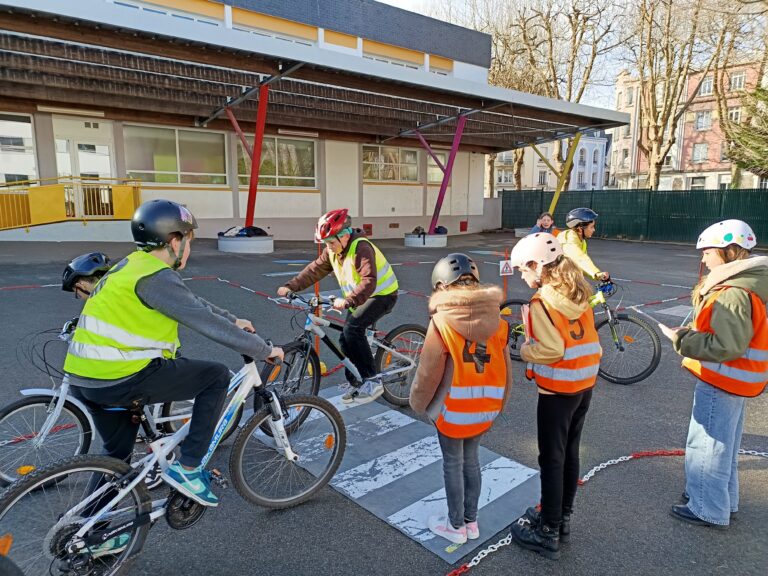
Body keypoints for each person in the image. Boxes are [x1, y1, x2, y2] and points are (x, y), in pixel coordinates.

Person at [64, 199, 284, 512]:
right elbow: (205, 322)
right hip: (121, 377)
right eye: (189, 242)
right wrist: (265, 350)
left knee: (116, 458)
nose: (189, 251)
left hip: (86, 380)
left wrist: (233, 319)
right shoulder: (156, 277)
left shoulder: (131, 266)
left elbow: (191, 303)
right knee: (216, 376)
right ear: (175, 241)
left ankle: (83, 532)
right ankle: (189, 467)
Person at [660, 219, 767, 529]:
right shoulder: (749, 284)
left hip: (723, 378)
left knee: (707, 445)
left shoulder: (732, 292)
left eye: (707, 252)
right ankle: (724, 501)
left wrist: (682, 338)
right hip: (738, 380)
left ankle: (707, 508)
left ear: (728, 252)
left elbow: (726, 345)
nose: (703, 259)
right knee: (725, 446)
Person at [508, 233, 601, 560]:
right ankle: (561, 518)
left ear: (538, 265)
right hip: (584, 384)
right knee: (569, 452)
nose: (522, 275)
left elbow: (551, 349)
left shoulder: (542, 302)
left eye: (523, 269)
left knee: (551, 458)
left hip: (557, 391)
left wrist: (525, 350)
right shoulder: (577, 291)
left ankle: (547, 532)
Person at [409, 253, 512, 545]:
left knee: (452, 463)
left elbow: (429, 372)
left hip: (453, 409)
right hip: (486, 407)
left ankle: (455, 525)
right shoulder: (498, 321)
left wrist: (417, 403)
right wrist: (500, 404)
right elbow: (506, 370)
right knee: (472, 461)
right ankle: (471, 521)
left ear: (442, 287)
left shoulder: (442, 321)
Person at [277, 208, 398, 404]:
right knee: (345, 339)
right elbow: (314, 270)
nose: (329, 247)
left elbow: (369, 280)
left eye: (331, 242)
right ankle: (356, 382)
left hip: (382, 294)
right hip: (359, 297)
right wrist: (290, 287)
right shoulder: (332, 251)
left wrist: (349, 300)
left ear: (344, 236)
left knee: (353, 330)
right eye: (326, 243)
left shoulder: (361, 248)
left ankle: (373, 381)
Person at [557, 207, 609, 281]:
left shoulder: (581, 241)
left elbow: (581, 266)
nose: (594, 230)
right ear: (580, 229)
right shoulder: (568, 240)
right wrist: (595, 272)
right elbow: (580, 259)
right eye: (591, 227)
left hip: (567, 280)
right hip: (557, 283)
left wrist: (597, 275)